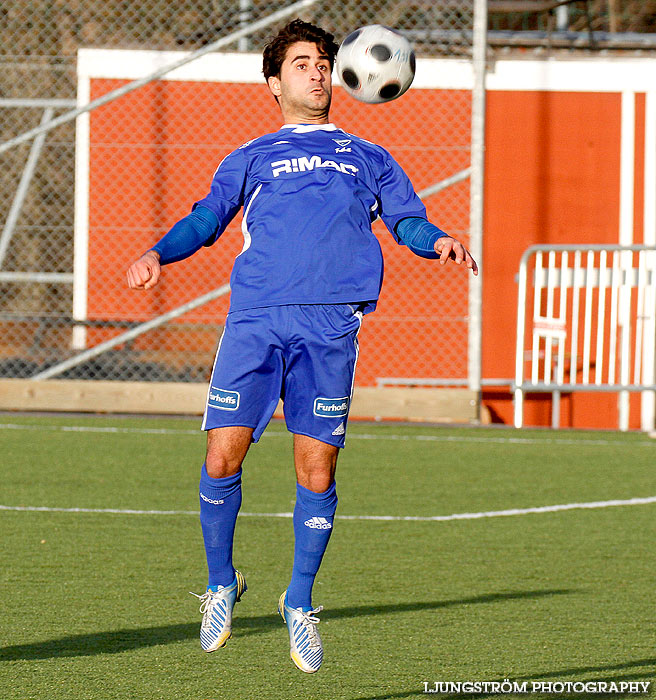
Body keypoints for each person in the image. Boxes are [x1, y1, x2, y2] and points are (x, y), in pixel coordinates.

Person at [126, 18, 477, 674]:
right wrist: (158, 252)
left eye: (323, 62)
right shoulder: (252, 156)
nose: (316, 71)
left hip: (331, 328)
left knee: (317, 472)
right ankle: (222, 583)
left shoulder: (368, 156)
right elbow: (206, 220)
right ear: (273, 81)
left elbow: (404, 217)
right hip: (255, 323)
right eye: (301, 63)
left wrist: (437, 241)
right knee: (222, 458)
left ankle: (300, 599)